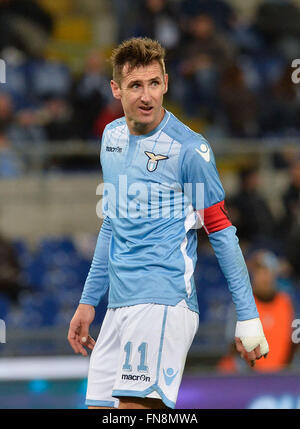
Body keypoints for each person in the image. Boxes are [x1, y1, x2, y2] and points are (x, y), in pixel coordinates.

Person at [68, 37, 269, 410]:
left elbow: (222, 233)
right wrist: (87, 302)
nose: (147, 96)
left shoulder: (189, 150)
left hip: (163, 299)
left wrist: (248, 316)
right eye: (135, 85)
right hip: (118, 306)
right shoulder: (111, 138)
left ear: (166, 83)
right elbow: (112, 223)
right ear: (116, 89)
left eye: (154, 83)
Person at [218, 250, 295, 373]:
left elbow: (293, 342)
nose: (263, 276)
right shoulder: (242, 304)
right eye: (258, 272)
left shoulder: (285, 302)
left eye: (267, 271)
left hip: (283, 375)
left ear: (274, 274)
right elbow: (232, 345)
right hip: (250, 377)